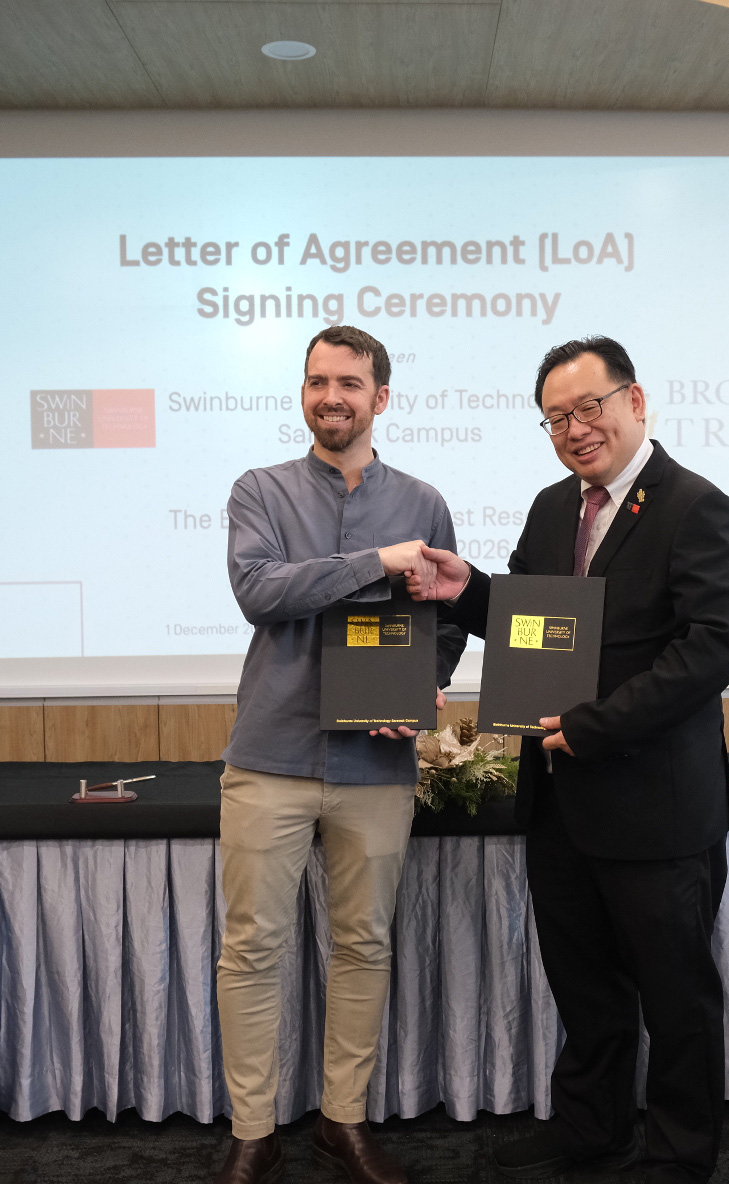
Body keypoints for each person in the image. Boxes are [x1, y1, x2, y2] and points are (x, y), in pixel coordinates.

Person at [408, 336, 729, 1183]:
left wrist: (597, 725)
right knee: (586, 990)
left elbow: (714, 648)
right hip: (561, 806)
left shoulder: (695, 506)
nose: (574, 428)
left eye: (589, 406)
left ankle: (678, 1156)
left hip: (656, 807)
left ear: (637, 402)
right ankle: (593, 1128)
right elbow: (538, 624)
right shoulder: (552, 507)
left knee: (676, 1000)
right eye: (557, 416)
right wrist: (472, 590)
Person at [216, 324, 464, 1184]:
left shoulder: (425, 502)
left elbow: (445, 622)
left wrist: (422, 689)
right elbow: (260, 592)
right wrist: (374, 562)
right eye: (318, 381)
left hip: (376, 767)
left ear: (380, 398)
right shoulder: (260, 490)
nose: (333, 396)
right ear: (305, 393)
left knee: (363, 945)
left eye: (350, 383)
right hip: (271, 756)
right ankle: (254, 1129)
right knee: (252, 948)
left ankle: (342, 1122)